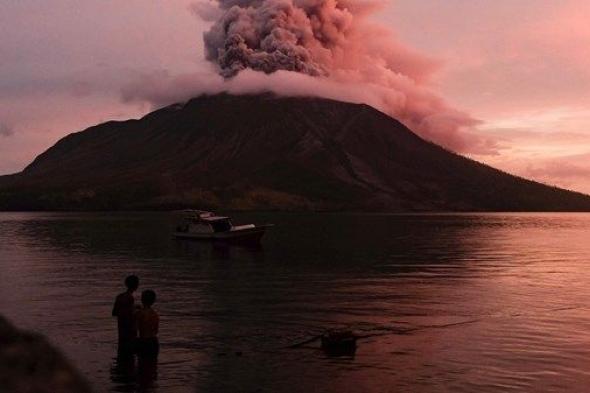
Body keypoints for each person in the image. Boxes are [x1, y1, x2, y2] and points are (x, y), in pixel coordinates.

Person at [135, 290, 159, 390]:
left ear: (142, 299)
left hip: (143, 341)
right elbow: (156, 330)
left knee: (142, 367)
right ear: (153, 301)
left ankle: (143, 387)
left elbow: (135, 327)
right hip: (154, 342)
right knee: (152, 366)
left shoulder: (139, 313)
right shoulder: (155, 314)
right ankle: (150, 386)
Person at [112, 275, 139, 356]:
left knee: (121, 353)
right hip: (129, 332)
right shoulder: (130, 298)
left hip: (121, 330)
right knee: (129, 357)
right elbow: (130, 316)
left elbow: (114, 313)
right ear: (136, 286)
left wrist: (133, 307)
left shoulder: (119, 296)